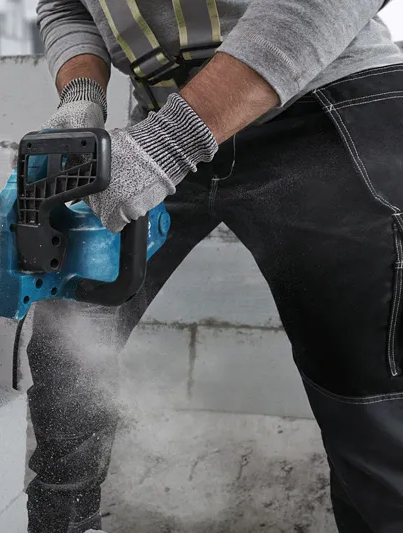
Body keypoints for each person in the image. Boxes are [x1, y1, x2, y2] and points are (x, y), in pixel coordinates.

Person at [26, 0, 403, 531]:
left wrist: (171, 142)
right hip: (158, 118)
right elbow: (65, 5)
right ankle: (65, 522)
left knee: (367, 388)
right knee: (70, 332)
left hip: (321, 106)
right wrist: (82, 94)